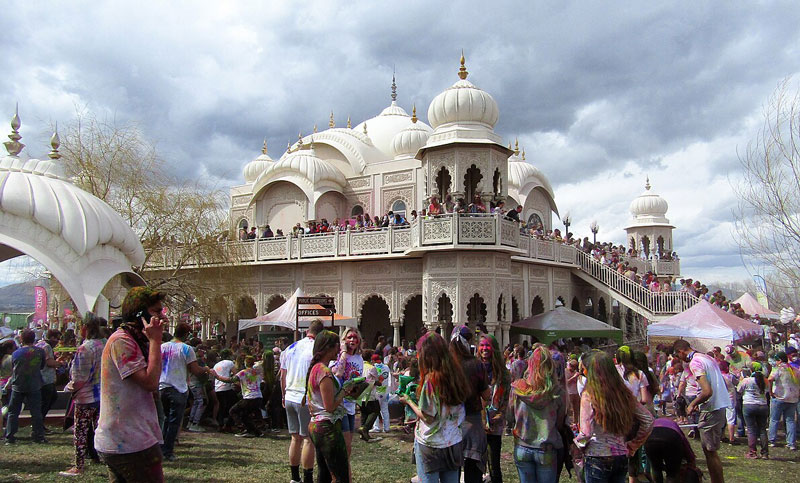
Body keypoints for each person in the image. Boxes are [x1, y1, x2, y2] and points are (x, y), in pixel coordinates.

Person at [94, 286, 166, 482]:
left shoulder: (132, 339)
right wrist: (156, 341)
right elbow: (150, 382)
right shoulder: (122, 341)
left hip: (130, 438)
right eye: (157, 311)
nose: (163, 317)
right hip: (129, 442)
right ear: (140, 314)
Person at [400, 331, 470, 483]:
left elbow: (428, 417)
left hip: (431, 444)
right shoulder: (457, 376)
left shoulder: (431, 382)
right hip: (453, 442)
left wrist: (409, 402)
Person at [576, 352, 653, 483]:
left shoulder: (589, 395)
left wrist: (576, 446)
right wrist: (633, 445)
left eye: (584, 369)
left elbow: (586, 433)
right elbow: (648, 420)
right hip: (621, 455)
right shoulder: (624, 393)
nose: (583, 372)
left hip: (596, 456)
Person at [305, 330, 359, 483]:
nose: (340, 350)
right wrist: (344, 390)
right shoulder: (324, 372)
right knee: (340, 475)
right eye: (338, 346)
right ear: (330, 347)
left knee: (325, 474)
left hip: (317, 426)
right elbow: (330, 406)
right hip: (327, 427)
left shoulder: (316, 369)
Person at [673, 339, 730, 483]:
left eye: (678, 356)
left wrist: (692, 404)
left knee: (709, 452)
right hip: (719, 405)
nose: (680, 360)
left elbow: (707, 391)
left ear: (681, 351)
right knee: (711, 452)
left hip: (712, 409)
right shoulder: (707, 358)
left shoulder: (695, 362)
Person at [510, 345, 566, 483]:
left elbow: (510, 416)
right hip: (546, 449)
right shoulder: (557, 392)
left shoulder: (517, 389)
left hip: (522, 446)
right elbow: (559, 423)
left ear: (530, 364)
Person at [59, 314, 105, 476]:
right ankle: (107, 461)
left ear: (84, 328)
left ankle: (79, 465)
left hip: (85, 396)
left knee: (81, 432)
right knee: (101, 430)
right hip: (103, 395)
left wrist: (69, 388)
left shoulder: (85, 348)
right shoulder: (104, 345)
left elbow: (79, 378)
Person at [159, 322, 211, 461]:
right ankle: (168, 451)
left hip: (162, 386)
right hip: (178, 387)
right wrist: (205, 369)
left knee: (164, 419)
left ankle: (160, 448)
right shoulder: (187, 349)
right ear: (186, 334)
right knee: (174, 422)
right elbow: (195, 370)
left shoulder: (162, 347)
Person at [281, 319, 323, 483]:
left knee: (294, 438)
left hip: (290, 396)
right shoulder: (316, 349)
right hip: (304, 398)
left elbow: (283, 375)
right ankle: (307, 478)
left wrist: (283, 395)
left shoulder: (290, 348)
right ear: (320, 334)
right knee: (307, 439)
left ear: (307, 331)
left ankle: (294, 478)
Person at [449, 325, 490, 483]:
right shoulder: (476, 365)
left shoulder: (446, 365)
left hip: (450, 424)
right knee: (473, 471)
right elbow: (486, 395)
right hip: (471, 422)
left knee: (452, 471)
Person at [3, 328, 46, 445]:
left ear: (21, 339)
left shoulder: (16, 353)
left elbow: (13, 368)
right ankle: (38, 435)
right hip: (35, 384)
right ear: (34, 338)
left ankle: (10, 436)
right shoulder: (40, 352)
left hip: (18, 385)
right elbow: (42, 366)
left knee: (13, 412)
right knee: (36, 412)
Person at [479, 335, 510, 483]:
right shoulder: (475, 368)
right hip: (477, 422)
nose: (484, 349)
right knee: (476, 463)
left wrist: (501, 413)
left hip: (494, 423)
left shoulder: (502, 373)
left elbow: (506, 397)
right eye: (482, 346)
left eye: (488, 345)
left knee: (494, 464)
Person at [331, 327, 365, 453]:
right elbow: (339, 373)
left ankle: (346, 468)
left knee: (349, 442)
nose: (352, 340)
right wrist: (344, 352)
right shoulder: (338, 356)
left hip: (351, 404)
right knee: (344, 441)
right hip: (340, 404)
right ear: (344, 340)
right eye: (349, 337)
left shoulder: (359, 358)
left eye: (355, 337)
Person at [218, 355, 265, 437]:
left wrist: (217, 376)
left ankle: (242, 428)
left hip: (249, 397)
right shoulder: (257, 373)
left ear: (246, 363)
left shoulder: (243, 372)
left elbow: (231, 380)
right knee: (244, 415)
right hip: (258, 397)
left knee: (233, 411)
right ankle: (256, 432)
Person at [644, 417, 699, 483]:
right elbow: (685, 442)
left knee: (656, 468)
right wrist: (691, 459)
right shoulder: (674, 424)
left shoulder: (653, 423)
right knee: (672, 473)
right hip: (671, 438)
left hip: (650, 439)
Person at [767, 351, 799, 450]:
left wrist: (770, 392)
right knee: (790, 420)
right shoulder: (794, 369)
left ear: (779, 360)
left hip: (779, 397)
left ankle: (772, 440)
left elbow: (770, 379)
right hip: (792, 398)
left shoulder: (778, 368)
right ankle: (791, 443)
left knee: (774, 419)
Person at [738, 364, 770, 458]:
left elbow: (739, 390)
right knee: (762, 429)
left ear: (751, 370)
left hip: (749, 404)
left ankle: (752, 452)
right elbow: (767, 391)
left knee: (751, 429)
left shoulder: (747, 380)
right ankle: (765, 453)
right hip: (762, 405)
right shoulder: (765, 381)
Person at [35, 328, 63, 423]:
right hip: (46, 378)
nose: (58, 342)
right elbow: (49, 362)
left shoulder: (39, 344)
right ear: (51, 337)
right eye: (57, 339)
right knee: (47, 400)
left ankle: (39, 422)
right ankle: (39, 422)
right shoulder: (47, 347)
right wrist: (60, 364)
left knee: (49, 399)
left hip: (40, 377)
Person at [213, 349, 237, 431]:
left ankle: (220, 424)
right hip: (227, 386)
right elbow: (236, 374)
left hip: (217, 387)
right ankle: (229, 424)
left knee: (221, 406)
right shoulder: (230, 363)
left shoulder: (216, 365)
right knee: (232, 406)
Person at [371, 352, 392, 433]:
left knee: (375, 410)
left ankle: (376, 427)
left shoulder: (373, 367)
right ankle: (386, 428)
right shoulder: (386, 367)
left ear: (373, 360)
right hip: (385, 391)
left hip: (376, 392)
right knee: (385, 410)